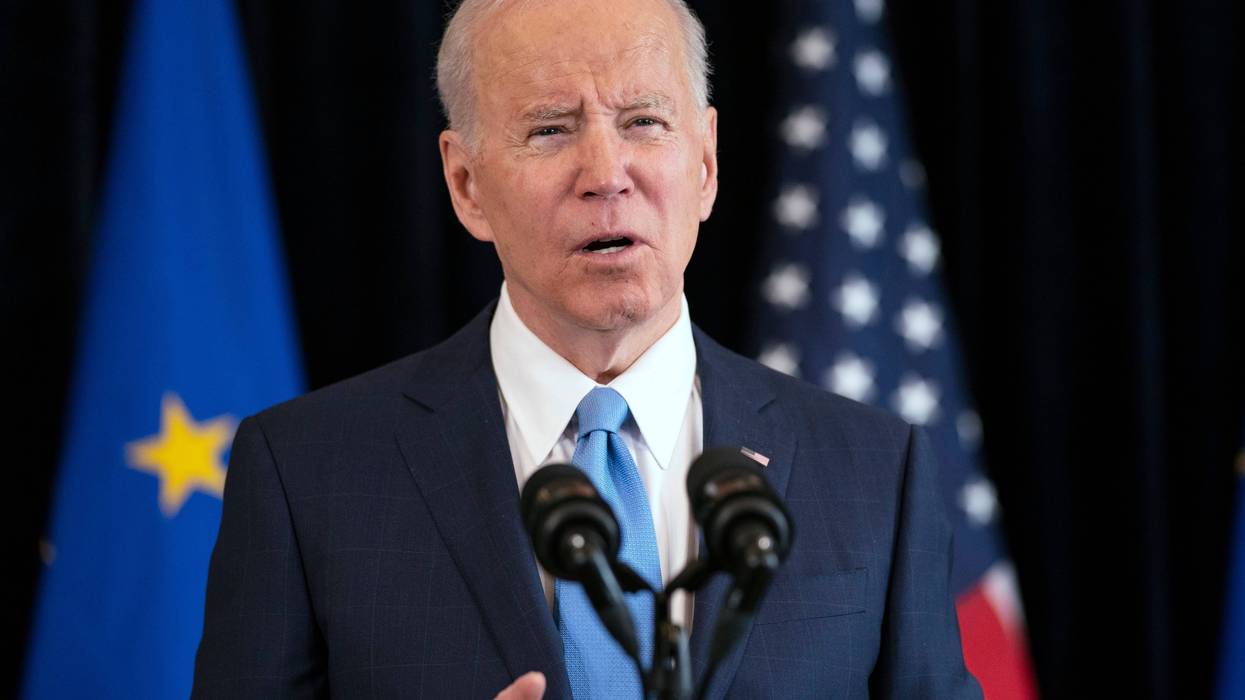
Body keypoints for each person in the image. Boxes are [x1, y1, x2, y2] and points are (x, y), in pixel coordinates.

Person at [192, 0, 982, 697]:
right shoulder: (306, 476)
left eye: (643, 121)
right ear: (466, 184)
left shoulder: (877, 471)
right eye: (549, 129)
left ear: (704, 163)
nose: (607, 174)